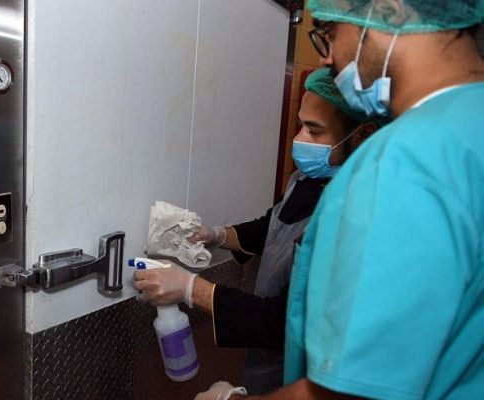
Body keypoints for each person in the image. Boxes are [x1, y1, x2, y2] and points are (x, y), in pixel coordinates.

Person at [194, 0, 484, 399]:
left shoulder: (402, 165)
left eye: (329, 32)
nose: (326, 56)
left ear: (389, 9)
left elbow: (353, 392)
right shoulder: (468, 126)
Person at [133, 68, 383, 393]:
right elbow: (273, 226)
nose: (299, 139)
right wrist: (218, 235)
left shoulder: (358, 213)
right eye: (300, 124)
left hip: (302, 374)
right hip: (266, 357)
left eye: (314, 130)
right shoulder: (306, 179)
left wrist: (190, 289)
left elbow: (284, 319)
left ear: (363, 134)